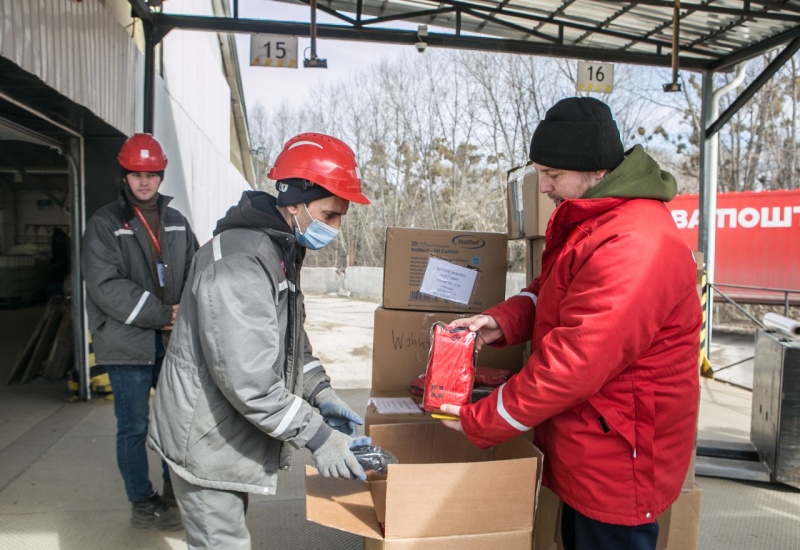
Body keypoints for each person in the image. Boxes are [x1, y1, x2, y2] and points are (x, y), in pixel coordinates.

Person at [439, 97, 702, 550]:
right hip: (595, 440)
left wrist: (482, 419)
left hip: (620, 456)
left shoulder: (634, 244)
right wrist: (499, 322)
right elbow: (552, 291)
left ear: (595, 170)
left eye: (552, 174)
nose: (543, 187)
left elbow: (574, 362)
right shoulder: (599, 222)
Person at [148, 132, 372, 549]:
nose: (336, 228)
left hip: (223, 433)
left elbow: (289, 340)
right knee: (223, 542)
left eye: (341, 216)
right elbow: (249, 379)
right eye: (330, 215)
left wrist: (319, 392)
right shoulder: (242, 264)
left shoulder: (278, 248)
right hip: (205, 438)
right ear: (295, 202)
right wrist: (319, 436)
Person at [81, 133, 198, 531]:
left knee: (173, 423)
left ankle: (171, 493)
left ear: (161, 176)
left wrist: (185, 314)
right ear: (125, 176)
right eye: (136, 174)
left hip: (170, 343)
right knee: (133, 426)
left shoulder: (179, 224)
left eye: (151, 173)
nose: (144, 181)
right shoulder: (105, 224)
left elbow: (196, 273)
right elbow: (105, 286)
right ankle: (141, 501)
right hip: (125, 344)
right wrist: (163, 313)